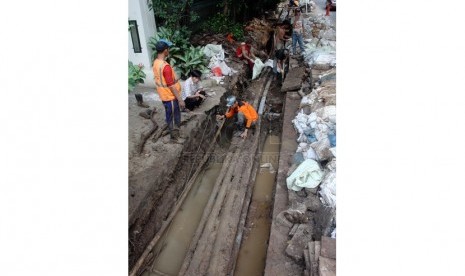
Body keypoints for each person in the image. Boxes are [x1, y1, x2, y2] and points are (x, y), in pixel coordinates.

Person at [152, 39, 185, 140]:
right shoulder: (165, 67)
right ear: (165, 50)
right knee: (174, 117)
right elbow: (171, 85)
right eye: (168, 49)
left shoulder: (156, 62)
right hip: (169, 96)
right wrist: (180, 100)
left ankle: (174, 133)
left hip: (164, 95)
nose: (169, 50)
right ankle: (174, 137)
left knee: (170, 115)